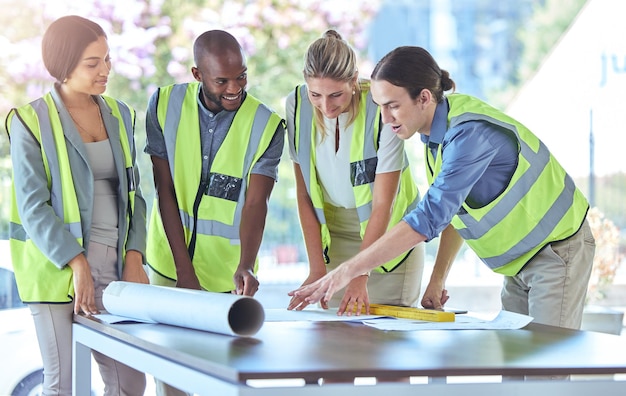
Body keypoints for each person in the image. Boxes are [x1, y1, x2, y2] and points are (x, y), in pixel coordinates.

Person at [289, 45, 596, 331]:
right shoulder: (437, 133)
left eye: (393, 106)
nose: (385, 119)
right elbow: (456, 211)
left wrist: (349, 270)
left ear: (423, 98)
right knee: (518, 368)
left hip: (556, 252)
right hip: (519, 264)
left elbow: (429, 216)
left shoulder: (468, 135)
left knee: (547, 376)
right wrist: (437, 280)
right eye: (381, 107)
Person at [5, 15, 148, 396]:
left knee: (130, 383)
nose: (105, 71)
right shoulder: (29, 120)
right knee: (62, 384)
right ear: (64, 66)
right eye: (92, 63)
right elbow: (33, 206)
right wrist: (77, 262)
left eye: (108, 60)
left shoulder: (119, 114)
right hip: (57, 272)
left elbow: (136, 196)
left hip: (115, 267)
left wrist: (135, 256)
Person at [144, 30, 284, 395]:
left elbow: (257, 203)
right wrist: (183, 272)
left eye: (241, 76)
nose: (235, 87)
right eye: (222, 80)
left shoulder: (266, 125)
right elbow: (166, 191)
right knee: (172, 382)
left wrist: (247, 263)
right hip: (169, 270)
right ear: (197, 75)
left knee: (219, 383)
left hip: (226, 280)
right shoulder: (162, 106)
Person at [285, 30, 424, 316]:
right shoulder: (297, 105)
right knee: (337, 343)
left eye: (336, 94)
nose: (326, 106)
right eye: (316, 95)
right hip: (335, 241)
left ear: (354, 80)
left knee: (385, 344)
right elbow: (304, 193)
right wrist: (316, 269)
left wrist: (360, 274)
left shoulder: (380, 107)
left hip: (388, 244)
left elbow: (383, 204)